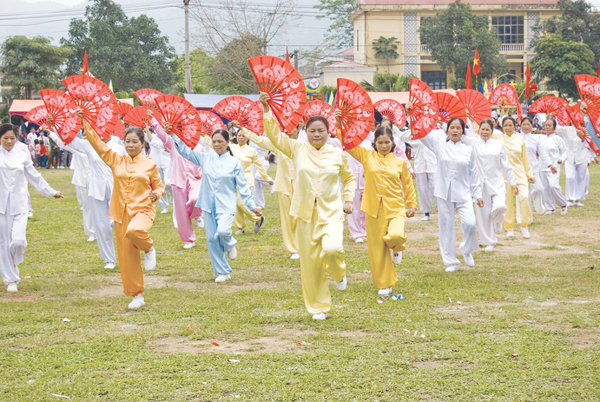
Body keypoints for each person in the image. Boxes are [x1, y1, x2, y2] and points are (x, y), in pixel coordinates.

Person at [261, 92, 356, 320]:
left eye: (320, 131)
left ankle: (338, 273)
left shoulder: (336, 153)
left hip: (331, 211)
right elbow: (274, 136)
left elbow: (349, 177)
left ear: (327, 131)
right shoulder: (296, 148)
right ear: (306, 131)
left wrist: (349, 198)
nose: (316, 134)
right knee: (311, 263)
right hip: (304, 213)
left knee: (333, 249)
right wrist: (266, 109)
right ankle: (319, 307)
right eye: (312, 130)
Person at [82, 119, 164, 310]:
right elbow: (99, 146)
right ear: (124, 143)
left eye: (135, 141)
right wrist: (85, 123)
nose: (131, 145)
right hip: (121, 213)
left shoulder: (149, 165)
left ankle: (149, 248)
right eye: (128, 141)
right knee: (127, 259)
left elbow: (159, 186)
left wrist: (156, 194)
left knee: (135, 231)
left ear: (142, 144)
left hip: (143, 210)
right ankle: (136, 295)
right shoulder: (116, 160)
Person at [335, 111, 417, 296]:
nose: (383, 146)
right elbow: (347, 143)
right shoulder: (367, 156)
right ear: (375, 144)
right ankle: (384, 284)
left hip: (395, 208)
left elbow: (407, 184)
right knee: (377, 250)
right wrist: (340, 122)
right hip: (373, 209)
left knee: (395, 235)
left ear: (392, 144)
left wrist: (411, 204)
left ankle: (396, 248)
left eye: (387, 142)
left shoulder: (399, 162)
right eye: (380, 142)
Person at [172, 129, 262, 283]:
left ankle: (230, 244)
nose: (217, 144)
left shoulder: (234, 163)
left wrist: (252, 205)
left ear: (228, 143)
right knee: (212, 240)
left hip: (226, 205)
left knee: (223, 231)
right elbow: (185, 152)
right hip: (207, 204)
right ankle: (222, 271)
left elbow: (243, 186)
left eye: (220, 141)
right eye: (214, 141)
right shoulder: (205, 158)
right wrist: (173, 134)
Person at [47, 114, 125, 269]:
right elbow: (70, 141)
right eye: (100, 129)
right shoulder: (90, 145)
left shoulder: (119, 148)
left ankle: (125, 256)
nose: (104, 132)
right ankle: (109, 259)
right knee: (101, 226)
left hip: (117, 190)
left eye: (107, 129)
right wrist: (55, 124)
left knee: (116, 224)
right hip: (96, 189)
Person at [0, 123, 63, 293]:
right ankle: (10, 279)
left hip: (19, 204)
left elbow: (35, 177)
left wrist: (51, 192)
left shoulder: (22, 155)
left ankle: (14, 262)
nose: (9, 141)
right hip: (1, 206)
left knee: (18, 241)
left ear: (17, 137)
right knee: (4, 243)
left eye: (12, 138)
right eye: (5, 138)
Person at [419, 117, 483, 272]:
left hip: (463, 192)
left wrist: (478, 194)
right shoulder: (439, 145)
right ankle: (450, 262)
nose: (455, 130)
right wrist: (413, 114)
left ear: (463, 131)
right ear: (447, 130)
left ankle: (466, 249)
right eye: (452, 127)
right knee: (446, 227)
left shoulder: (468, 150)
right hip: (444, 192)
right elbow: (422, 134)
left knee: (470, 223)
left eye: (458, 128)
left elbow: (473, 173)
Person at [239, 124, 300, 259]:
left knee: (301, 218)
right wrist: (244, 130)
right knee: (288, 218)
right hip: (284, 185)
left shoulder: (304, 145)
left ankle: (305, 245)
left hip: (302, 186)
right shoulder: (279, 145)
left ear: (299, 128)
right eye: (286, 128)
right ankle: (294, 249)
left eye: (293, 128)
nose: (289, 131)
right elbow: (261, 140)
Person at [462, 120, 516, 252]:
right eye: (482, 129)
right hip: (479, 185)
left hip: (496, 182)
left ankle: (498, 220)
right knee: (482, 214)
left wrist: (513, 183)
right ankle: (489, 241)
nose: (484, 132)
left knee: (500, 206)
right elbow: (456, 131)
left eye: (487, 130)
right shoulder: (473, 143)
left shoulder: (498, 145)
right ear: (478, 130)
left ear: (492, 131)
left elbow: (506, 165)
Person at [150, 118, 203, 249]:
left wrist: (202, 172)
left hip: (195, 179)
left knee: (195, 198)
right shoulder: (173, 144)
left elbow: (204, 162)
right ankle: (189, 239)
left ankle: (197, 214)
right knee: (182, 213)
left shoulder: (199, 147)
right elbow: (162, 135)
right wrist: (154, 120)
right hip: (179, 180)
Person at [47, 130, 95, 242]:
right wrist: (52, 133)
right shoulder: (77, 148)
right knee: (87, 207)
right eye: (84, 135)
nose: (86, 137)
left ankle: (100, 230)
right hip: (82, 180)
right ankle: (91, 232)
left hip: (95, 181)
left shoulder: (97, 148)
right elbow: (63, 143)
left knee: (98, 207)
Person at [492, 117, 534, 238]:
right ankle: (509, 227)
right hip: (504, 175)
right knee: (507, 202)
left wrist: (529, 174)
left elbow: (525, 158)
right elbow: (481, 130)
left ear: (515, 126)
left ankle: (524, 225)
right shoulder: (498, 138)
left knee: (523, 197)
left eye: (510, 125)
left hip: (519, 173)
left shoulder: (520, 139)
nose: (508, 128)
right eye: (505, 125)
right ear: (502, 127)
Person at [229, 130, 273, 235]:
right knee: (235, 204)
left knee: (241, 202)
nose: (241, 137)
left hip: (246, 179)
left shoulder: (251, 150)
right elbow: (215, 145)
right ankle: (240, 227)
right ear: (236, 137)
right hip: (233, 179)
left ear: (248, 138)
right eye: (239, 135)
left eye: (243, 136)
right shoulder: (232, 147)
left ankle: (257, 218)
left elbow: (259, 166)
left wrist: (267, 178)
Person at [554, 123, 595, 207]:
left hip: (582, 157)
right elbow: (554, 128)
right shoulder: (567, 129)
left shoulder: (586, 130)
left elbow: (590, 145)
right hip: (570, 157)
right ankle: (569, 198)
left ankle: (578, 199)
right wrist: (550, 118)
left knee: (581, 178)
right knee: (570, 177)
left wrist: (583, 139)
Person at [518, 117, 551, 215]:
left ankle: (538, 204)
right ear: (520, 126)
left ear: (532, 126)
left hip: (534, 168)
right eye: (524, 124)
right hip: (520, 169)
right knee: (524, 194)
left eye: (528, 124)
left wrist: (550, 164)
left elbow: (543, 154)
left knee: (539, 188)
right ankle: (528, 216)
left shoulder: (536, 138)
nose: (526, 126)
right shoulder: (517, 137)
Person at [539, 119, 568, 215]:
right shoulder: (541, 138)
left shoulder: (558, 139)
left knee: (553, 185)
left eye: (549, 125)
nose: (547, 127)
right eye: (545, 125)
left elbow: (565, 151)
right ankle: (550, 208)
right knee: (546, 187)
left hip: (554, 166)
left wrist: (561, 159)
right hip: (543, 166)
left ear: (554, 127)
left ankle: (563, 204)